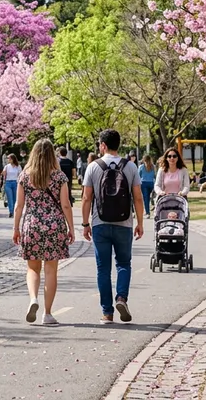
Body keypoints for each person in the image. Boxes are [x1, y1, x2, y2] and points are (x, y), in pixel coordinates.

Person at [81, 129, 144, 324]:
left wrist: (85, 224)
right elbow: (138, 197)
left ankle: (107, 313)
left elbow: (86, 198)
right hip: (124, 223)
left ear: (103, 145)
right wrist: (140, 222)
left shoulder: (93, 166)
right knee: (124, 264)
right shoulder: (131, 166)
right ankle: (121, 298)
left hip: (100, 223)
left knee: (103, 269)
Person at [13, 138, 74, 326]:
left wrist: (16, 228)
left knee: (32, 268)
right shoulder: (59, 177)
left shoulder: (24, 176)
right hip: (54, 225)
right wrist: (71, 228)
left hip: (32, 225)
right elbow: (65, 204)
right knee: (51, 271)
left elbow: (19, 205)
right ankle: (47, 313)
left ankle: (33, 299)